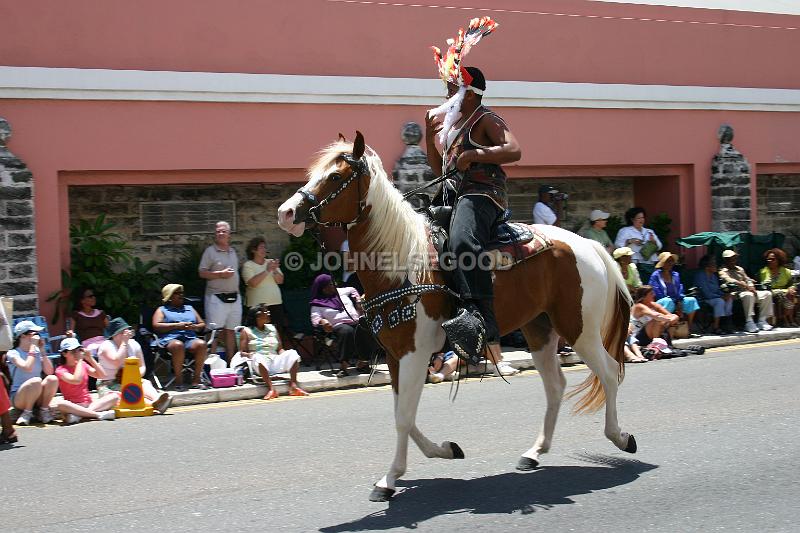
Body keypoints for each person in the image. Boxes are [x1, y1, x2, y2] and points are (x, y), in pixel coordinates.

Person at [425, 17, 520, 373]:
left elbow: (515, 150)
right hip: (455, 194)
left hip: (483, 195)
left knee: (464, 245)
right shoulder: (452, 126)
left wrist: (474, 155)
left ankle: (490, 340)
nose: (448, 96)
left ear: (471, 92)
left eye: (453, 89)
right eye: (447, 89)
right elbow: (439, 171)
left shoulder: (486, 118)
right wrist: (427, 133)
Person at [233, 304, 308, 400]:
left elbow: (280, 349)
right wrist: (251, 355)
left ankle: (293, 386)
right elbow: (242, 352)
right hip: (260, 363)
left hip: (274, 360)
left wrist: (286, 356)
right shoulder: (246, 331)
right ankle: (271, 389)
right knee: (257, 356)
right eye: (265, 311)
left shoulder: (272, 328)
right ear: (258, 315)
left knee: (292, 353)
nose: (269, 313)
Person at [96, 318, 172, 413]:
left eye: (127, 330)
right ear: (115, 335)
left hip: (130, 381)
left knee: (145, 383)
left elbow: (142, 366)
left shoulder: (134, 344)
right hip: (109, 383)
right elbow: (116, 361)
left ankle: (157, 399)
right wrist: (124, 343)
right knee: (124, 396)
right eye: (123, 332)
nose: (127, 333)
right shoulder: (106, 346)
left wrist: (134, 377)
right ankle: (153, 405)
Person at [309, 274, 376, 378]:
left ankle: (363, 363)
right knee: (346, 330)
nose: (334, 285)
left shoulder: (341, 291)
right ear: (324, 288)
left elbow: (353, 290)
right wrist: (323, 322)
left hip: (355, 321)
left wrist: (358, 302)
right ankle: (344, 366)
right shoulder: (317, 303)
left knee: (366, 325)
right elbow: (315, 319)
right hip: (336, 327)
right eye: (331, 284)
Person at [152, 284, 209, 391]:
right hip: (170, 339)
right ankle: (179, 381)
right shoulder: (162, 309)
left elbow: (202, 324)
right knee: (178, 345)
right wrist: (176, 325)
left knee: (201, 344)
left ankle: (196, 380)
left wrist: (194, 327)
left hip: (189, 338)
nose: (181, 295)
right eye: (177, 293)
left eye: (181, 293)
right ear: (169, 297)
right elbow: (156, 325)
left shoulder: (189, 308)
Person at [198, 220, 241, 361]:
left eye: (223, 231)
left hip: (235, 297)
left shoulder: (233, 251)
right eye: (218, 231)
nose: (220, 233)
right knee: (214, 333)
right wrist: (220, 274)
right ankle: (209, 367)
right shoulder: (210, 252)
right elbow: (202, 273)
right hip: (216, 298)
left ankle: (231, 365)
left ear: (229, 234)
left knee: (231, 332)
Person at [5, 320, 59, 425]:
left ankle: (43, 411)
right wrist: (33, 347)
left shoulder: (37, 351)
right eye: (33, 334)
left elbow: (49, 371)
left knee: (52, 379)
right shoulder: (13, 353)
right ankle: (27, 413)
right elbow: (27, 367)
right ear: (22, 336)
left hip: (37, 395)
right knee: (35, 381)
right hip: (19, 398)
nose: (37, 337)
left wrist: (42, 351)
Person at [53, 338, 117, 424]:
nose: (76, 353)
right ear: (64, 353)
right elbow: (76, 380)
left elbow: (102, 375)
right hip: (73, 406)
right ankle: (97, 415)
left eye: (78, 350)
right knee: (61, 404)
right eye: (73, 351)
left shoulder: (82, 364)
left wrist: (90, 359)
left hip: (89, 404)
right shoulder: (60, 370)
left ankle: (80, 415)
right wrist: (80, 360)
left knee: (114, 396)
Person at [719, 249, 774, 333]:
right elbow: (729, 280)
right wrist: (744, 285)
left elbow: (747, 279)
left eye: (734, 258)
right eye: (730, 259)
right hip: (735, 293)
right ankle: (749, 322)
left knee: (767, 294)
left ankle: (762, 321)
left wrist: (751, 286)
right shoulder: (722, 270)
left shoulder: (739, 269)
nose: (733, 260)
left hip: (747, 290)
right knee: (749, 295)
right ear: (726, 260)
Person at [648, 252, 700, 334]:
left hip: (676, 300)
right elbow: (656, 292)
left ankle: (688, 327)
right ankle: (664, 328)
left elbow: (680, 288)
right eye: (668, 261)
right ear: (662, 263)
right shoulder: (655, 275)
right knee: (668, 301)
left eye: (671, 261)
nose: (670, 263)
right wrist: (674, 301)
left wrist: (679, 300)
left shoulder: (675, 275)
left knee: (691, 300)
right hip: (662, 301)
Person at [241, 237, 287, 328]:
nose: (264, 250)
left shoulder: (270, 262)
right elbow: (253, 283)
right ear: (253, 250)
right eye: (261, 247)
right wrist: (267, 270)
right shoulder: (248, 265)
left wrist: (274, 270)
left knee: (277, 332)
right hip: (257, 308)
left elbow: (280, 281)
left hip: (275, 304)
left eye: (265, 247)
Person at [614, 207, 662, 277]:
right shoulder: (625, 231)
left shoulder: (649, 231)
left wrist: (653, 242)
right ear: (632, 219)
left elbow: (659, 246)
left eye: (642, 217)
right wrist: (630, 241)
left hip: (649, 265)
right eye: (638, 218)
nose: (641, 220)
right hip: (634, 264)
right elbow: (618, 245)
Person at [694, 254, 735, 334]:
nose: (716, 265)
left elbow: (717, 290)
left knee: (729, 299)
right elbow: (706, 293)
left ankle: (726, 324)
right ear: (707, 267)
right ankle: (716, 327)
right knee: (720, 301)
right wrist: (721, 297)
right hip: (704, 298)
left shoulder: (713, 276)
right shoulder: (700, 276)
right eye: (713, 264)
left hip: (714, 297)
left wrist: (725, 295)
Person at [759, 248, 798, 327]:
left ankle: (790, 318)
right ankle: (786, 319)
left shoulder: (785, 271)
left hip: (785, 292)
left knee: (791, 294)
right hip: (770, 292)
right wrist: (784, 291)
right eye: (768, 259)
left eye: (772, 259)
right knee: (783, 294)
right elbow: (765, 285)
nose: (769, 261)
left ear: (779, 260)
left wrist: (792, 288)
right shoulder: (764, 271)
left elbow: (792, 283)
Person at [65, 287, 109, 353]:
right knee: (102, 349)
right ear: (82, 300)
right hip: (88, 344)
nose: (94, 298)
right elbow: (71, 331)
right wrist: (69, 333)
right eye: (90, 296)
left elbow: (110, 328)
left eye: (94, 296)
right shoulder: (76, 315)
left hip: (103, 341)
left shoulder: (101, 313)